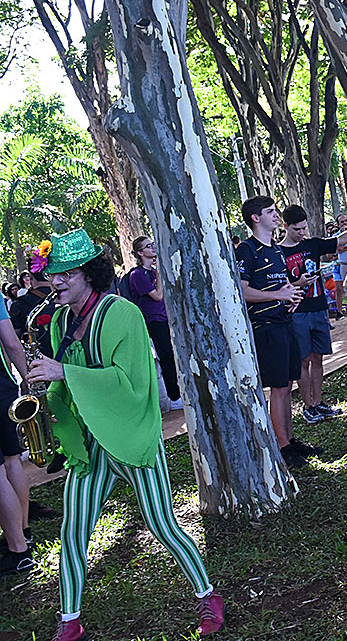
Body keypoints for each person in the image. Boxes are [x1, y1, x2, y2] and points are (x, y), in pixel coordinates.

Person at [24, 229, 224, 640]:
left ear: (91, 275)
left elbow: (130, 381)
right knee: (72, 533)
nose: (55, 282)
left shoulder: (122, 314)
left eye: (67, 274)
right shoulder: (62, 317)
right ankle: (69, 622)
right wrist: (49, 391)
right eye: (54, 273)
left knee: (162, 523)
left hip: (132, 438)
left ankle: (208, 596)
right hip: (88, 443)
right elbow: (67, 377)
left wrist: (64, 372)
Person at [235, 196, 310, 468]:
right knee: (278, 387)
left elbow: (282, 286)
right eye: (270, 212)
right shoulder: (247, 249)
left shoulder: (277, 250)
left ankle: (290, 439)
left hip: (284, 322)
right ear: (255, 218)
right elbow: (242, 291)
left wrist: (291, 295)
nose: (276, 215)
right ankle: (281, 446)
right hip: (265, 327)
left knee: (288, 384)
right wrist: (277, 294)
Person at [279, 205, 347, 424]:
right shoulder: (278, 253)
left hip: (319, 309)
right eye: (297, 229)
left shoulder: (312, 244)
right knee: (303, 360)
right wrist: (296, 283)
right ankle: (307, 406)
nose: (301, 233)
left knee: (318, 357)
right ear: (285, 226)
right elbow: (278, 284)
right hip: (297, 312)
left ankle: (318, 402)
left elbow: (338, 240)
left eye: (304, 228)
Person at [128, 237, 183, 411]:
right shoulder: (138, 275)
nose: (153, 248)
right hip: (154, 321)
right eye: (148, 246)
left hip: (166, 317)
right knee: (165, 357)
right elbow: (158, 295)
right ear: (140, 252)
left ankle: (179, 392)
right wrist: (159, 274)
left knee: (174, 356)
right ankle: (174, 397)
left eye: (153, 245)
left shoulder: (152, 272)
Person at [0, 284, 32, 577]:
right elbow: (11, 343)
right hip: (3, 385)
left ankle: (17, 549)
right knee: (12, 460)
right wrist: (27, 378)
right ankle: (22, 531)